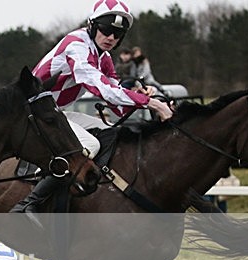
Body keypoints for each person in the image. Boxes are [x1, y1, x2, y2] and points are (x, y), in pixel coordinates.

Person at [13, 0, 173, 213]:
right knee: (92, 145)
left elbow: (115, 105)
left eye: (118, 35)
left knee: (110, 133)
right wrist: (151, 104)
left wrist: (138, 97)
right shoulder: (76, 45)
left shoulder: (103, 57)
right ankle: (29, 203)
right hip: (32, 113)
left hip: (54, 113)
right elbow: (101, 88)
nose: (111, 38)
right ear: (92, 26)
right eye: (106, 30)